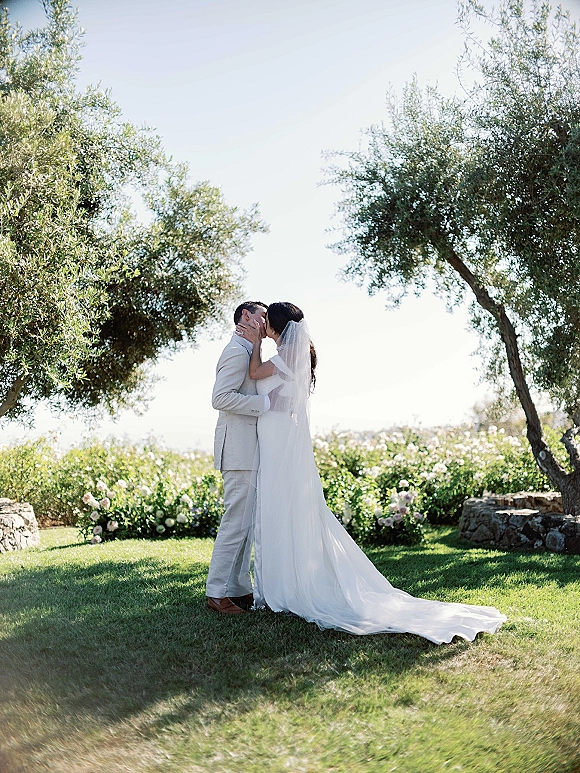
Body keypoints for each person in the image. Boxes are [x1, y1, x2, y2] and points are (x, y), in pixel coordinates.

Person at [235, 301, 506, 644]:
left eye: (266, 323)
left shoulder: (285, 354)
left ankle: (284, 587)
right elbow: (282, 398)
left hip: (278, 443)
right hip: (277, 439)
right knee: (281, 508)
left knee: (279, 506)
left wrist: (255, 343)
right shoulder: (293, 354)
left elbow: (255, 374)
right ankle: (281, 581)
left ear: (275, 326)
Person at [206, 300, 270, 615]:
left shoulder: (248, 351)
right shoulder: (236, 351)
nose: (266, 321)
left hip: (249, 451)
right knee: (235, 524)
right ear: (246, 316)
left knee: (245, 524)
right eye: (263, 315)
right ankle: (216, 594)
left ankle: (238, 588)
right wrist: (265, 404)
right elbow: (220, 397)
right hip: (239, 451)